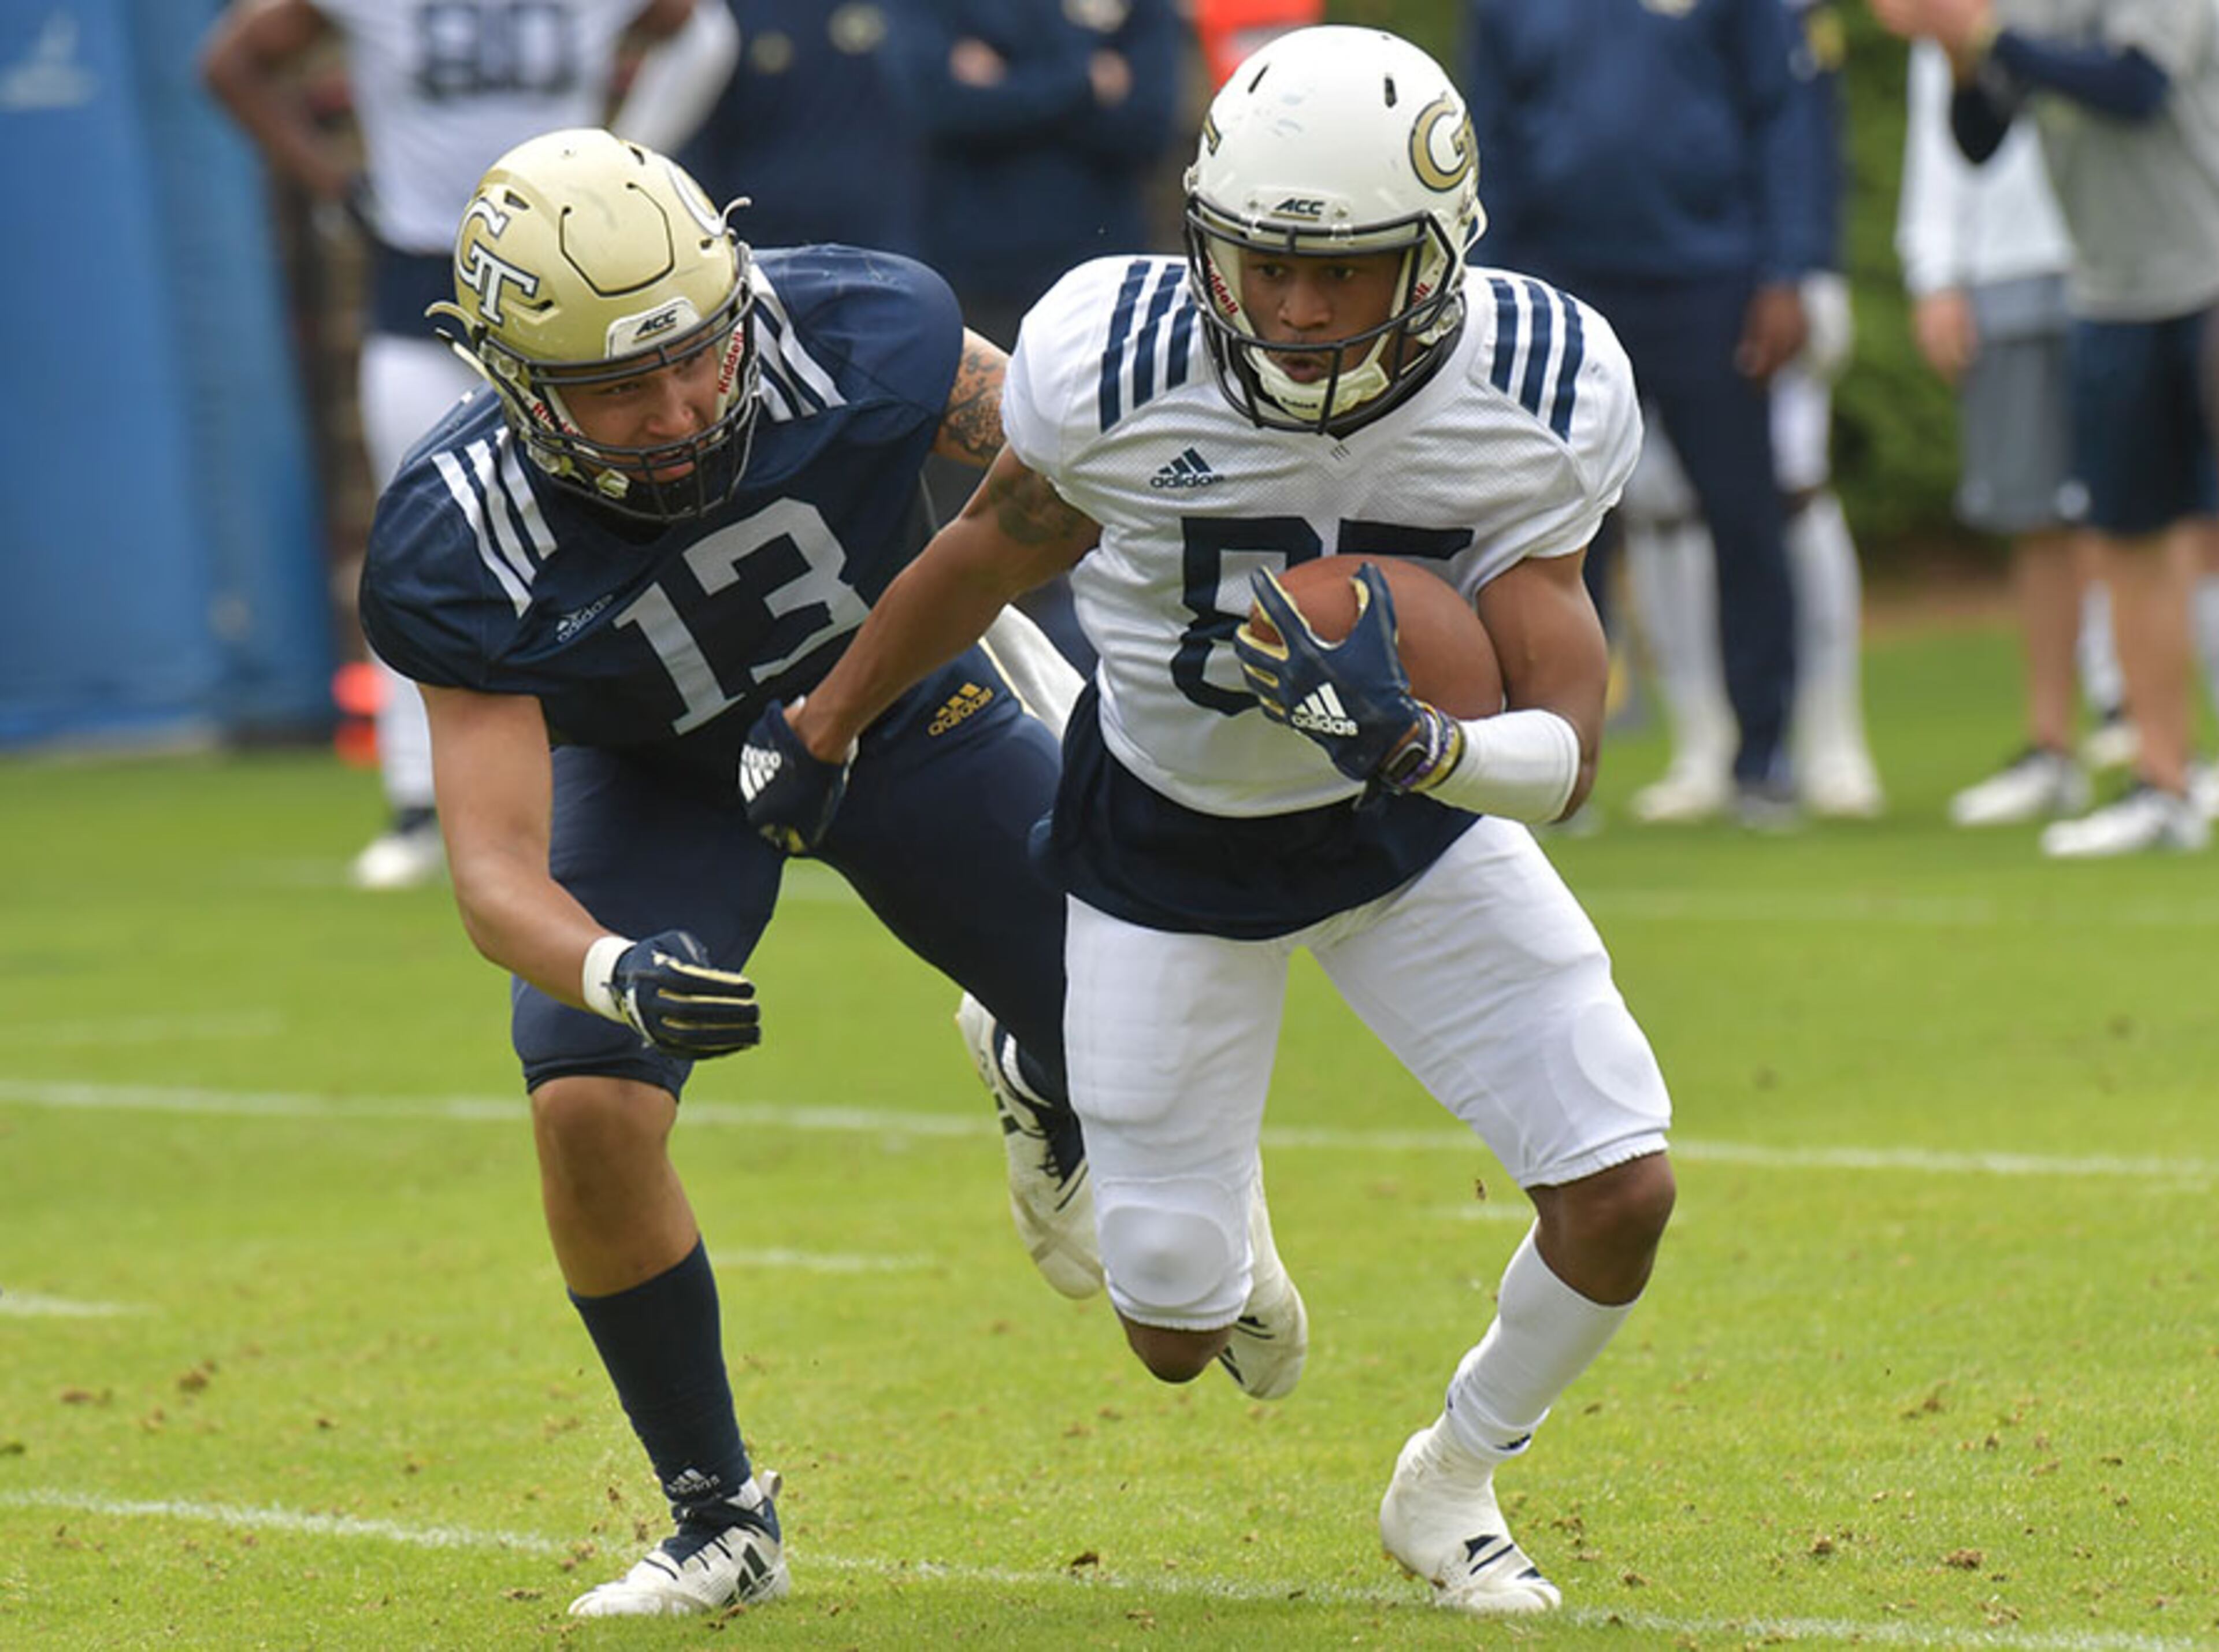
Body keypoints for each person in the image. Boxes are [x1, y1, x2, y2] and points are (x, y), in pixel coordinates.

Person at [743, 27, 1677, 1616]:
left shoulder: (1537, 385)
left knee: (1622, 1184)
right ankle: (1039, 1060)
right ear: (1204, 239)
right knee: (1178, 1333)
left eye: (1352, 272)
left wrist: (1419, 739)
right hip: (1163, 841)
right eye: (1263, 264)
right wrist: (823, 724)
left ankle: (1451, 1481)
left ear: (1441, 257)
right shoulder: (1112, 354)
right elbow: (988, 551)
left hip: (1406, 834)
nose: (1300, 310)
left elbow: (1566, 745)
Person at [355, 128, 1106, 1617]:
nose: (681, 404)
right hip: (656, 776)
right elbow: (494, 871)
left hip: (894, 709)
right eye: (620, 385)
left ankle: (1045, 1066)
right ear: (513, 380)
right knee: (583, 1099)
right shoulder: (459, 535)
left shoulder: (862, 329)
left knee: (1126, 1008)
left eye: (697, 353)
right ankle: (717, 1512)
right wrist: (605, 966)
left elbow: (1074, 459)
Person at [201, 0, 740, 889]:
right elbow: (233, 62)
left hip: (574, 310)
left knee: (643, 508)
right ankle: (419, 795)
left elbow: (703, 30)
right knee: (415, 545)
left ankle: (672, 756)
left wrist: (631, 155)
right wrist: (333, 182)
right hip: (423, 284)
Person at [1462, 0, 1828, 824]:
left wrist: (1787, 267)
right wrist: (1492, 289)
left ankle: (1764, 754)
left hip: (1713, 278)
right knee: (1552, 530)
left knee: (1745, 519)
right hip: (1561, 285)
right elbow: (1488, 133)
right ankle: (1553, 758)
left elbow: (1781, 112)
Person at [1873, 0, 2218, 857]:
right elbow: (1982, 137)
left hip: (2207, 279)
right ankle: (2163, 784)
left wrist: (1986, 35)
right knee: (2129, 542)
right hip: (2107, 297)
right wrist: (1958, 52)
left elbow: (2136, 85)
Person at [886, 0, 1190, 671]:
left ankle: (1085, 683)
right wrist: (1084, 81)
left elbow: (1147, 124)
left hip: (1101, 301)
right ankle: (967, 678)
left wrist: (1008, 82)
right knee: (969, 509)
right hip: (972, 290)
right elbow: (937, 103)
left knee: (1104, 500)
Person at [1893, 35, 2124, 827]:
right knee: (2038, 515)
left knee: (2145, 511)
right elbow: (1940, 143)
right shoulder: (1958, 16)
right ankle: (2053, 746)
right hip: (2003, 271)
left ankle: (2152, 732)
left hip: (2127, 264)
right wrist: (1936, 275)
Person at [677, 0, 922, 258]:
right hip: (763, 241)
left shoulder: (898, 13)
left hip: (880, 237)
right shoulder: (727, 17)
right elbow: (695, 133)